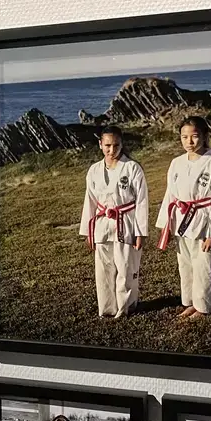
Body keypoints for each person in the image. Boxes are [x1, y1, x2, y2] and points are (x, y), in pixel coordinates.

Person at [155, 115, 211, 321]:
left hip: (204, 223)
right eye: (184, 137)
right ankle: (190, 302)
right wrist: (166, 227)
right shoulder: (176, 163)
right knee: (186, 266)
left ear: (205, 136)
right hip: (182, 222)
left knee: (205, 266)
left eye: (194, 137)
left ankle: (205, 306)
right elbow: (170, 195)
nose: (189, 142)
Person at [79, 125, 149, 319]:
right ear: (100, 145)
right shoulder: (94, 170)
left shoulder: (132, 168)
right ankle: (107, 308)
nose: (112, 150)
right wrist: (88, 232)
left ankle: (125, 307)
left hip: (125, 222)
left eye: (116, 145)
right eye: (107, 145)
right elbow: (90, 201)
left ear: (122, 144)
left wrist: (140, 232)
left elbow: (142, 201)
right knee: (104, 270)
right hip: (102, 225)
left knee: (126, 267)